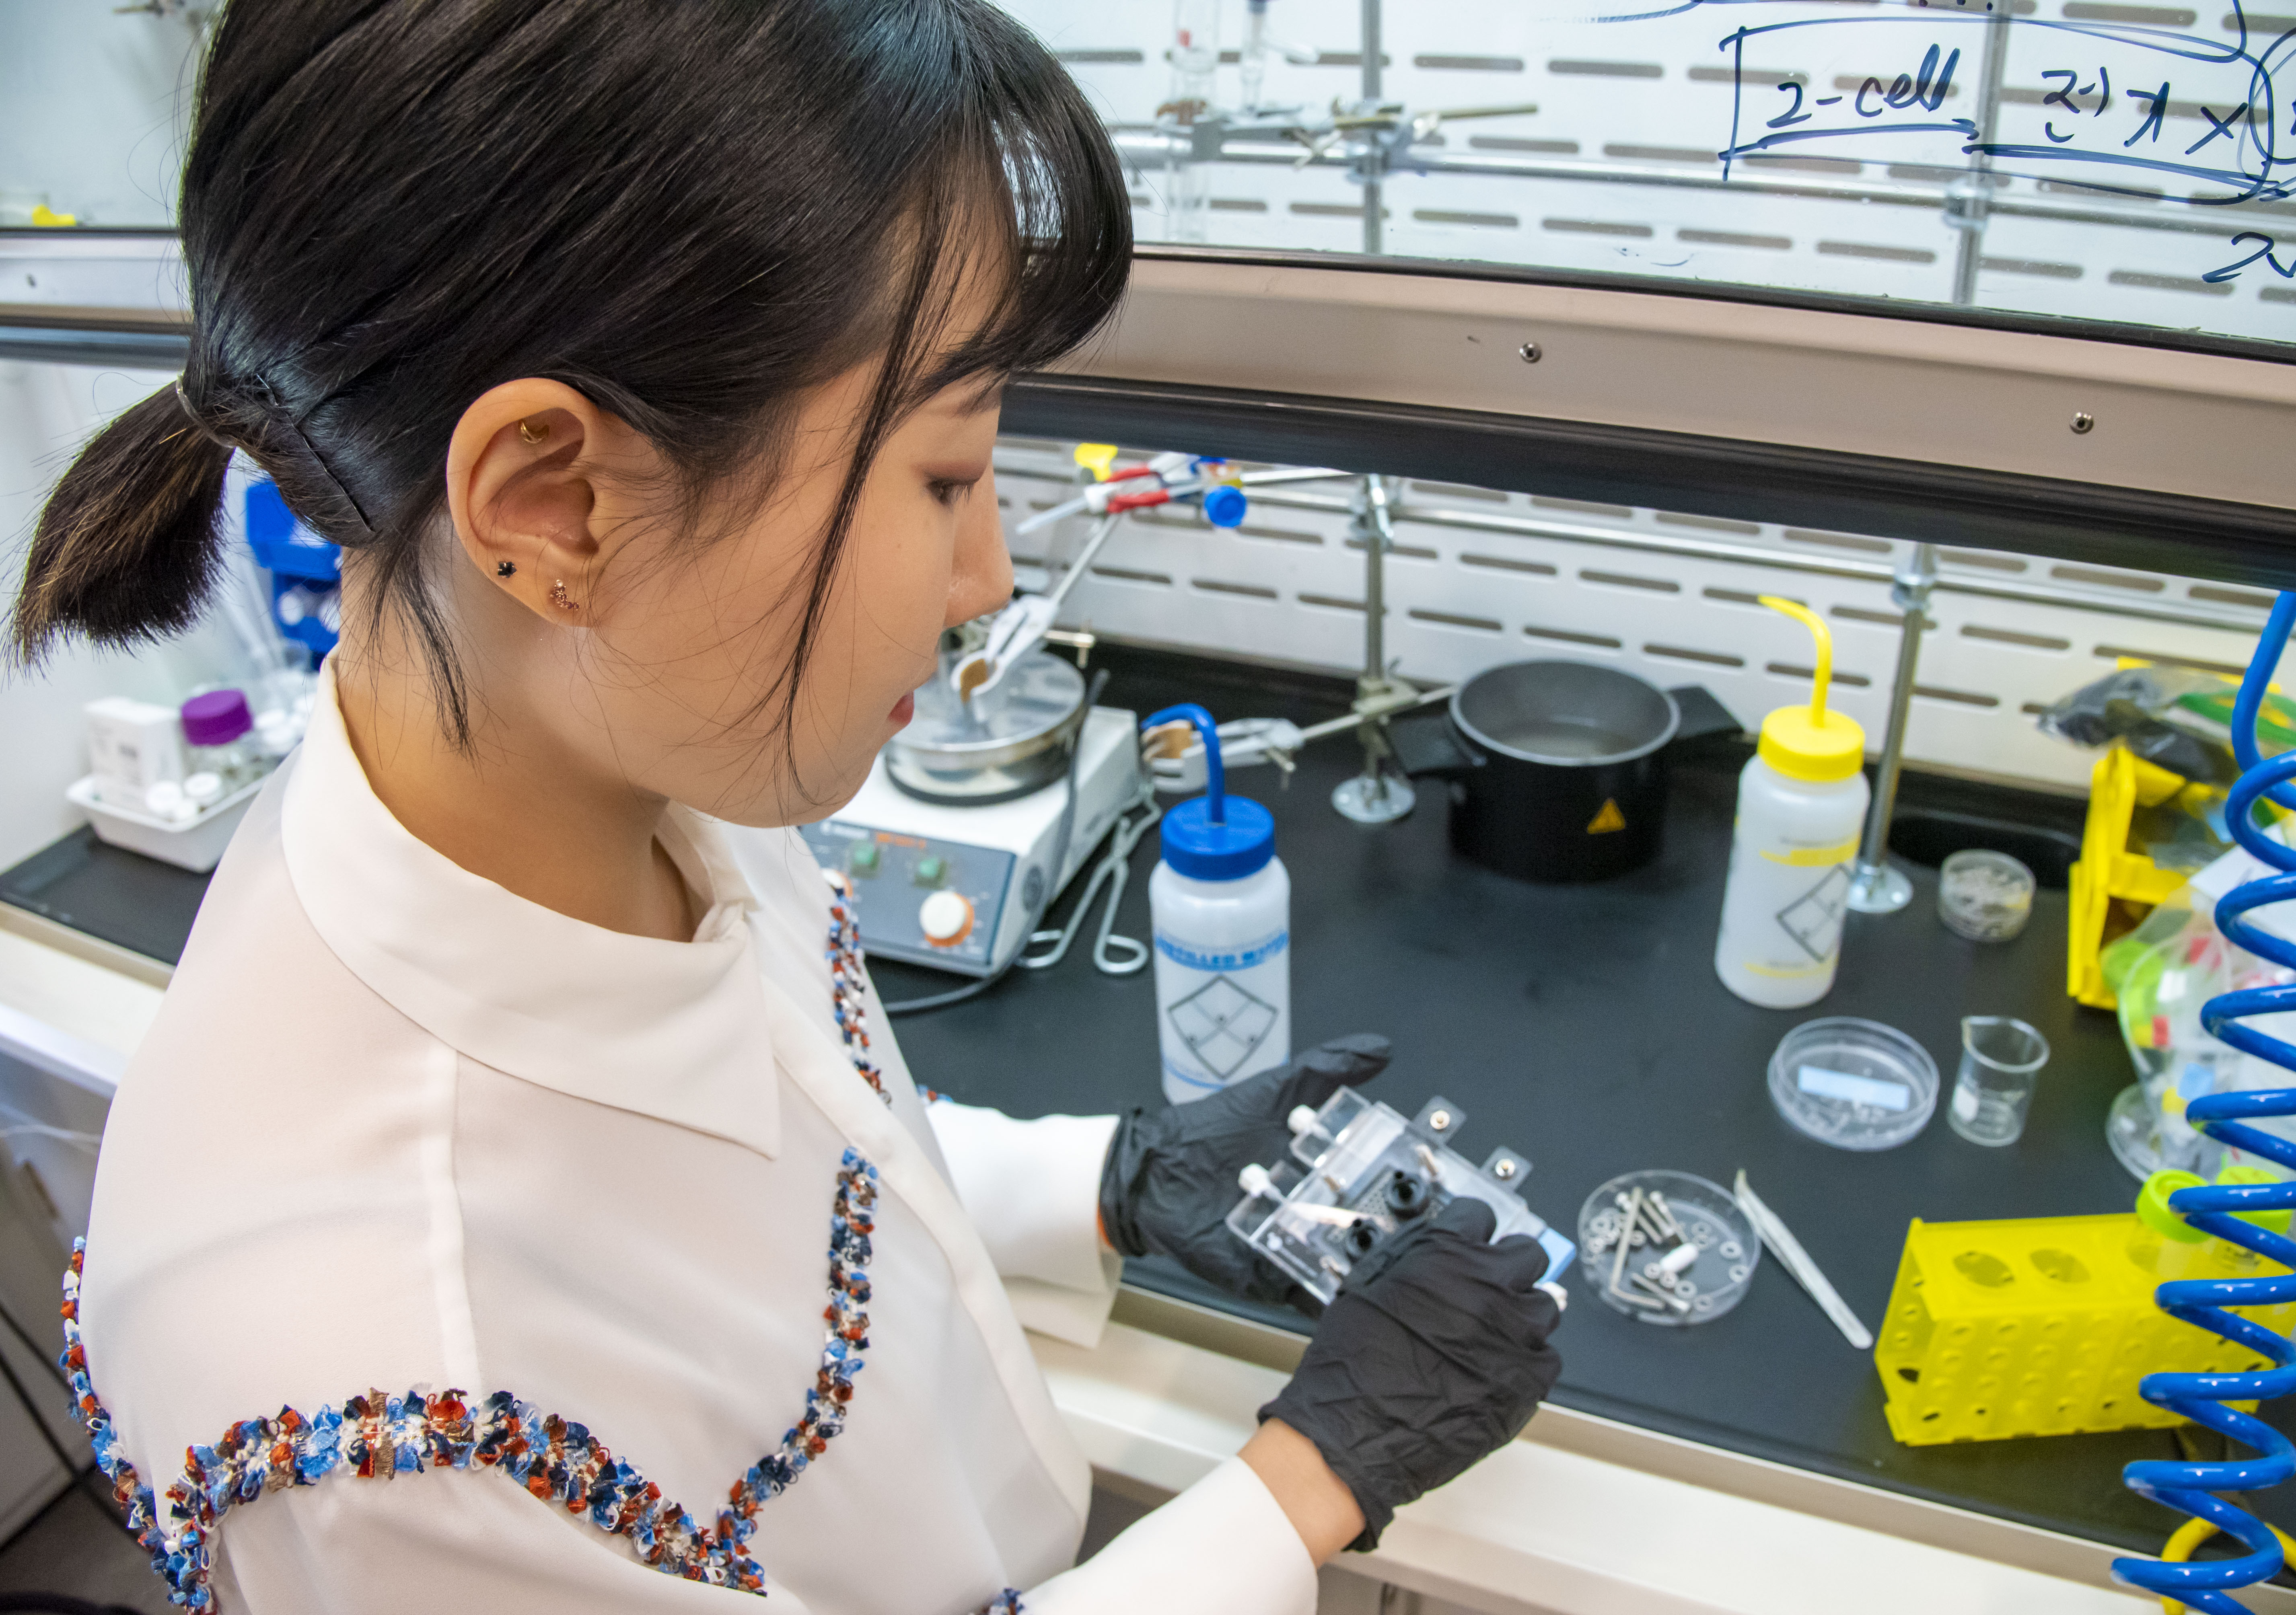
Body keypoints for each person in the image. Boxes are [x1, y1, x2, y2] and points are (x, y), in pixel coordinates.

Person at [7, 4, 1564, 1611]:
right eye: (946, 474)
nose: (992, 572)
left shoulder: (613, 751)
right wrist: (1300, 1485)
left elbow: (758, 1157)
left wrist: (1104, 1181)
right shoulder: (403, 1418)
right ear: (557, 505)